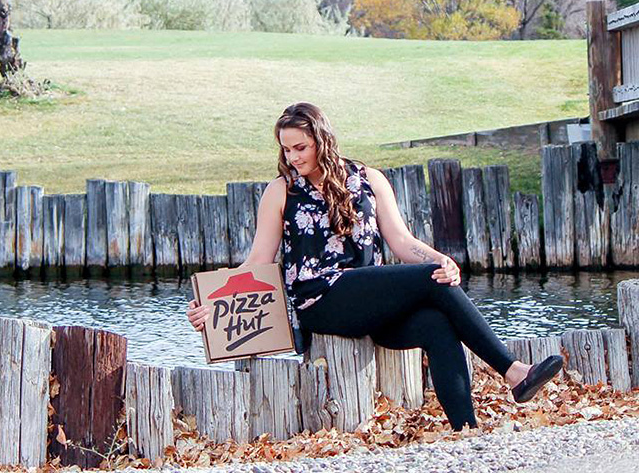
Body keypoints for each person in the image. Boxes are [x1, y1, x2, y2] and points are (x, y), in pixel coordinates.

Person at [186, 102, 563, 431]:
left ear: (323, 141)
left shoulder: (369, 179)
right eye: (286, 149)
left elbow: (401, 241)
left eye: (300, 147)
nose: (293, 157)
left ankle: (466, 432)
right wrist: (213, 302)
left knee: (436, 323)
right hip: (322, 301)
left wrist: (442, 260)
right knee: (430, 281)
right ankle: (514, 371)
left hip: (373, 304)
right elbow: (258, 261)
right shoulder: (281, 190)